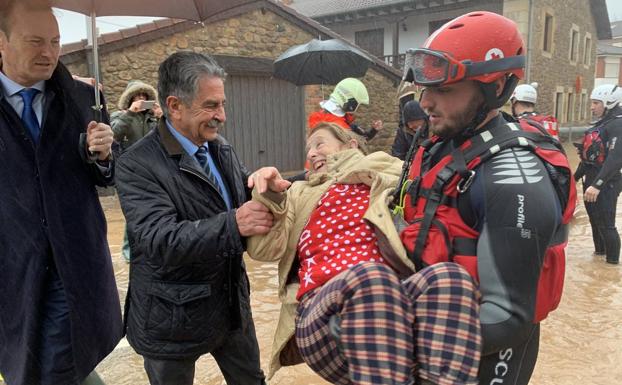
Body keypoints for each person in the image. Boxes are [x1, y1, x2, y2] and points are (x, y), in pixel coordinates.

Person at [400, 11, 575, 385]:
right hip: (434, 340)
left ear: (495, 88)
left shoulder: (513, 181)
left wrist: (393, 339)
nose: (425, 103)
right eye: (424, 89)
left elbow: (508, 318)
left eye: (443, 90)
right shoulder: (440, 145)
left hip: (488, 358)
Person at [247, 122, 482, 385]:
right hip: (320, 310)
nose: (311, 153)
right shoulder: (298, 191)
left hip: (394, 295)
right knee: (371, 277)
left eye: (319, 143)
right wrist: (268, 198)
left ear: (350, 145)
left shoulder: (386, 168)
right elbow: (263, 251)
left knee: (452, 279)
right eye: (308, 149)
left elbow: (429, 192)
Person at [115, 51, 269, 385]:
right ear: (174, 105)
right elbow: (159, 239)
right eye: (212, 106)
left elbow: (241, 196)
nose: (222, 116)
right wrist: (235, 224)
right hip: (170, 317)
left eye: (222, 104)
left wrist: (266, 185)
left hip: (229, 305)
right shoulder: (136, 164)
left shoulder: (219, 147)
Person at [0, 1, 123, 384]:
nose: (49, 52)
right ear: (0, 42)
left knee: (57, 366)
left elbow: (107, 177)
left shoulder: (83, 100)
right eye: (35, 41)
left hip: (74, 266)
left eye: (55, 41)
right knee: (26, 365)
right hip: (12, 268)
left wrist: (104, 156)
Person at [111, 80, 162, 262]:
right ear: (130, 98)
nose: (141, 100)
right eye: (137, 96)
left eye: (144, 97)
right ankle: (128, 250)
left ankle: (151, 246)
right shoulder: (120, 116)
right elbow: (114, 134)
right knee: (132, 210)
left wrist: (161, 117)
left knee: (153, 209)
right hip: (129, 170)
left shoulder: (153, 117)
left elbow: (167, 138)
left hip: (153, 169)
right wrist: (130, 113)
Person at [574, 84, 622, 265]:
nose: (592, 107)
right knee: (595, 222)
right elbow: (588, 159)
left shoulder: (618, 123)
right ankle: (599, 259)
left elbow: (616, 158)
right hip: (591, 179)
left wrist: (598, 185)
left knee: (606, 225)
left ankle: (611, 268)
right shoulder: (602, 124)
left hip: (607, 182)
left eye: (596, 103)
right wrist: (573, 179)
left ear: (609, 103)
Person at [308, 77, 383, 140]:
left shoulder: (318, 118)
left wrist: (374, 130)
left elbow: (363, 137)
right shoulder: (342, 127)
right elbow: (361, 141)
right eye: (357, 104)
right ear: (350, 102)